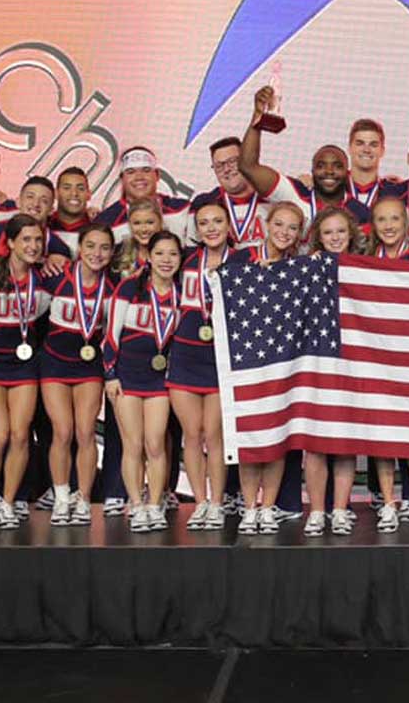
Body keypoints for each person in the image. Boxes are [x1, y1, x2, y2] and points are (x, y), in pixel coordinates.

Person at [225, 202, 306, 536]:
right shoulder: (241, 259)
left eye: (291, 228)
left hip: (286, 362)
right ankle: (248, 507)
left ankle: (269, 507)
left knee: (278, 437)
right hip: (247, 361)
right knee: (251, 436)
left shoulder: (302, 265)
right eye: (279, 225)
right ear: (266, 225)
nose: (284, 233)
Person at [105, 230, 186, 532]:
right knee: (133, 443)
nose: (166, 260)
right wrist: (110, 373)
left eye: (173, 254)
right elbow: (111, 334)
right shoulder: (129, 288)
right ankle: (136, 504)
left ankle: (155, 504)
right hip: (126, 375)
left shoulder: (181, 293)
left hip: (159, 379)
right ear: (149, 257)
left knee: (156, 443)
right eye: (160, 253)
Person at [0, 214, 52, 530]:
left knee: (21, 435)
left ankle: (7, 501)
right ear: (11, 242)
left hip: (25, 363)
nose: (33, 246)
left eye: (38, 240)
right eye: (26, 240)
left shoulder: (44, 278)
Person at [40, 223, 115, 526]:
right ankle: (60, 497)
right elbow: (28, 310)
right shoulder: (55, 280)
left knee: (85, 432)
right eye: (91, 246)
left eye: (104, 248)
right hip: (55, 363)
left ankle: (82, 498)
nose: (97, 253)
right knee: (62, 431)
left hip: (89, 366)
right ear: (79, 249)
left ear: (111, 253)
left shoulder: (112, 288)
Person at [367, 197, 409, 532]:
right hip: (377, 358)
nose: (389, 226)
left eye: (395, 219)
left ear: (406, 222)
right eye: (381, 219)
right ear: (373, 225)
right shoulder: (364, 260)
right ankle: (389, 502)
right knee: (383, 436)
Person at [169, 201, 235, 530]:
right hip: (184, 356)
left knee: (215, 435)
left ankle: (218, 502)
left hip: (221, 359)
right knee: (191, 436)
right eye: (204, 223)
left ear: (228, 225)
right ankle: (199, 501)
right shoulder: (183, 260)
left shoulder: (241, 261)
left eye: (217, 221)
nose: (211, 228)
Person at [303, 207, 365, 535]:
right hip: (317, 361)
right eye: (328, 232)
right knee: (315, 440)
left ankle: (340, 509)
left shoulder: (367, 268)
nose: (336, 237)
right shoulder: (308, 268)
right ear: (319, 237)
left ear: (351, 233)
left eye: (341, 231)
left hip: (354, 362)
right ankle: (316, 511)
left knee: (344, 439)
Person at [239, 87, 372, 233]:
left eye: (337, 166)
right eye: (321, 166)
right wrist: (258, 115)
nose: (329, 171)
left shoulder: (359, 213)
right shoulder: (295, 193)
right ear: (312, 171)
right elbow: (248, 166)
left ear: (347, 172)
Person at [96, 146, 189, 244]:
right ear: (121, 178)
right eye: (131, 172)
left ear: (157, 175)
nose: (139, 177)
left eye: (146, 170)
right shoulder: (105, 221)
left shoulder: (183, 209)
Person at [189, 136, 269, 246]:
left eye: (232, 161)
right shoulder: (204, 202)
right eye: (219, 166)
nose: (226, 169)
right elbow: (192, 250)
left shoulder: (271, 195)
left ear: (245, 161)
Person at [48, 166, 94, 256]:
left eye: (80, 189)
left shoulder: (97, 227)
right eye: (67, 188)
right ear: (56, 193)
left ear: (88, 194)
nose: (74, 193)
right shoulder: (44, 225)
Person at [346, 118, 387, 207]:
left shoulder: (392, 192)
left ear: (382, 151)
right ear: (349, 148)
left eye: (373, 145)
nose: (366, 150)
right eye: (360, 143)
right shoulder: (336, 186)